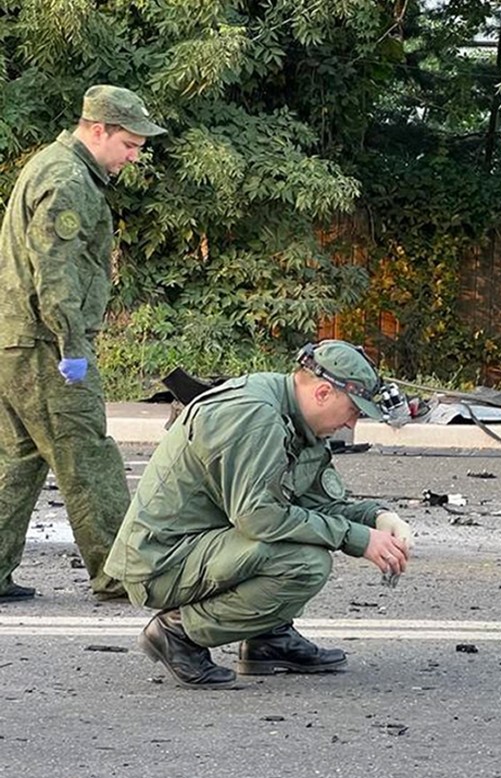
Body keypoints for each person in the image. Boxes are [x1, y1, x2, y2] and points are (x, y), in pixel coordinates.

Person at [105, 340, 415, 689]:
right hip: (161, 561)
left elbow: (315, 504)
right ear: (324, 392)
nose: (351, 423)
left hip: (203, 547)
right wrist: (356, 539)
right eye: (354, 410)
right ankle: (178, 633)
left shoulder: (297, 419)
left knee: (301, 542)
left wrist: (378, 518)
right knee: (304, 563)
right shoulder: (256, 415)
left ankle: (268, 638)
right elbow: (260, 518)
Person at [0, 85, 166, 604]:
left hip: (17, 341)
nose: (134, 156)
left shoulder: (51, 166)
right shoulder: (69, 179)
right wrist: (72, 345)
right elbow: (57, 271)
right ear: (99, 130)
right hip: (47, 345)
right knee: (88, 457)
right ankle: (121, 573)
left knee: (18, 460)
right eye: (130, 144)